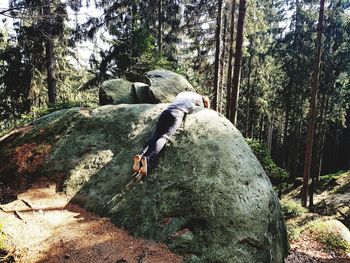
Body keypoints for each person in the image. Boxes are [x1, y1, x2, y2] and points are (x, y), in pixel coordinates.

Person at [132, 91, 210, 176]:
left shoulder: (184, 94)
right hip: (177, 114)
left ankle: (140, 156)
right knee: (163, 137)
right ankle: (148, 160)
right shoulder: (200, 99)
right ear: (205, 101)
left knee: (156, 135)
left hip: (166, 112)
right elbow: (203, 109)